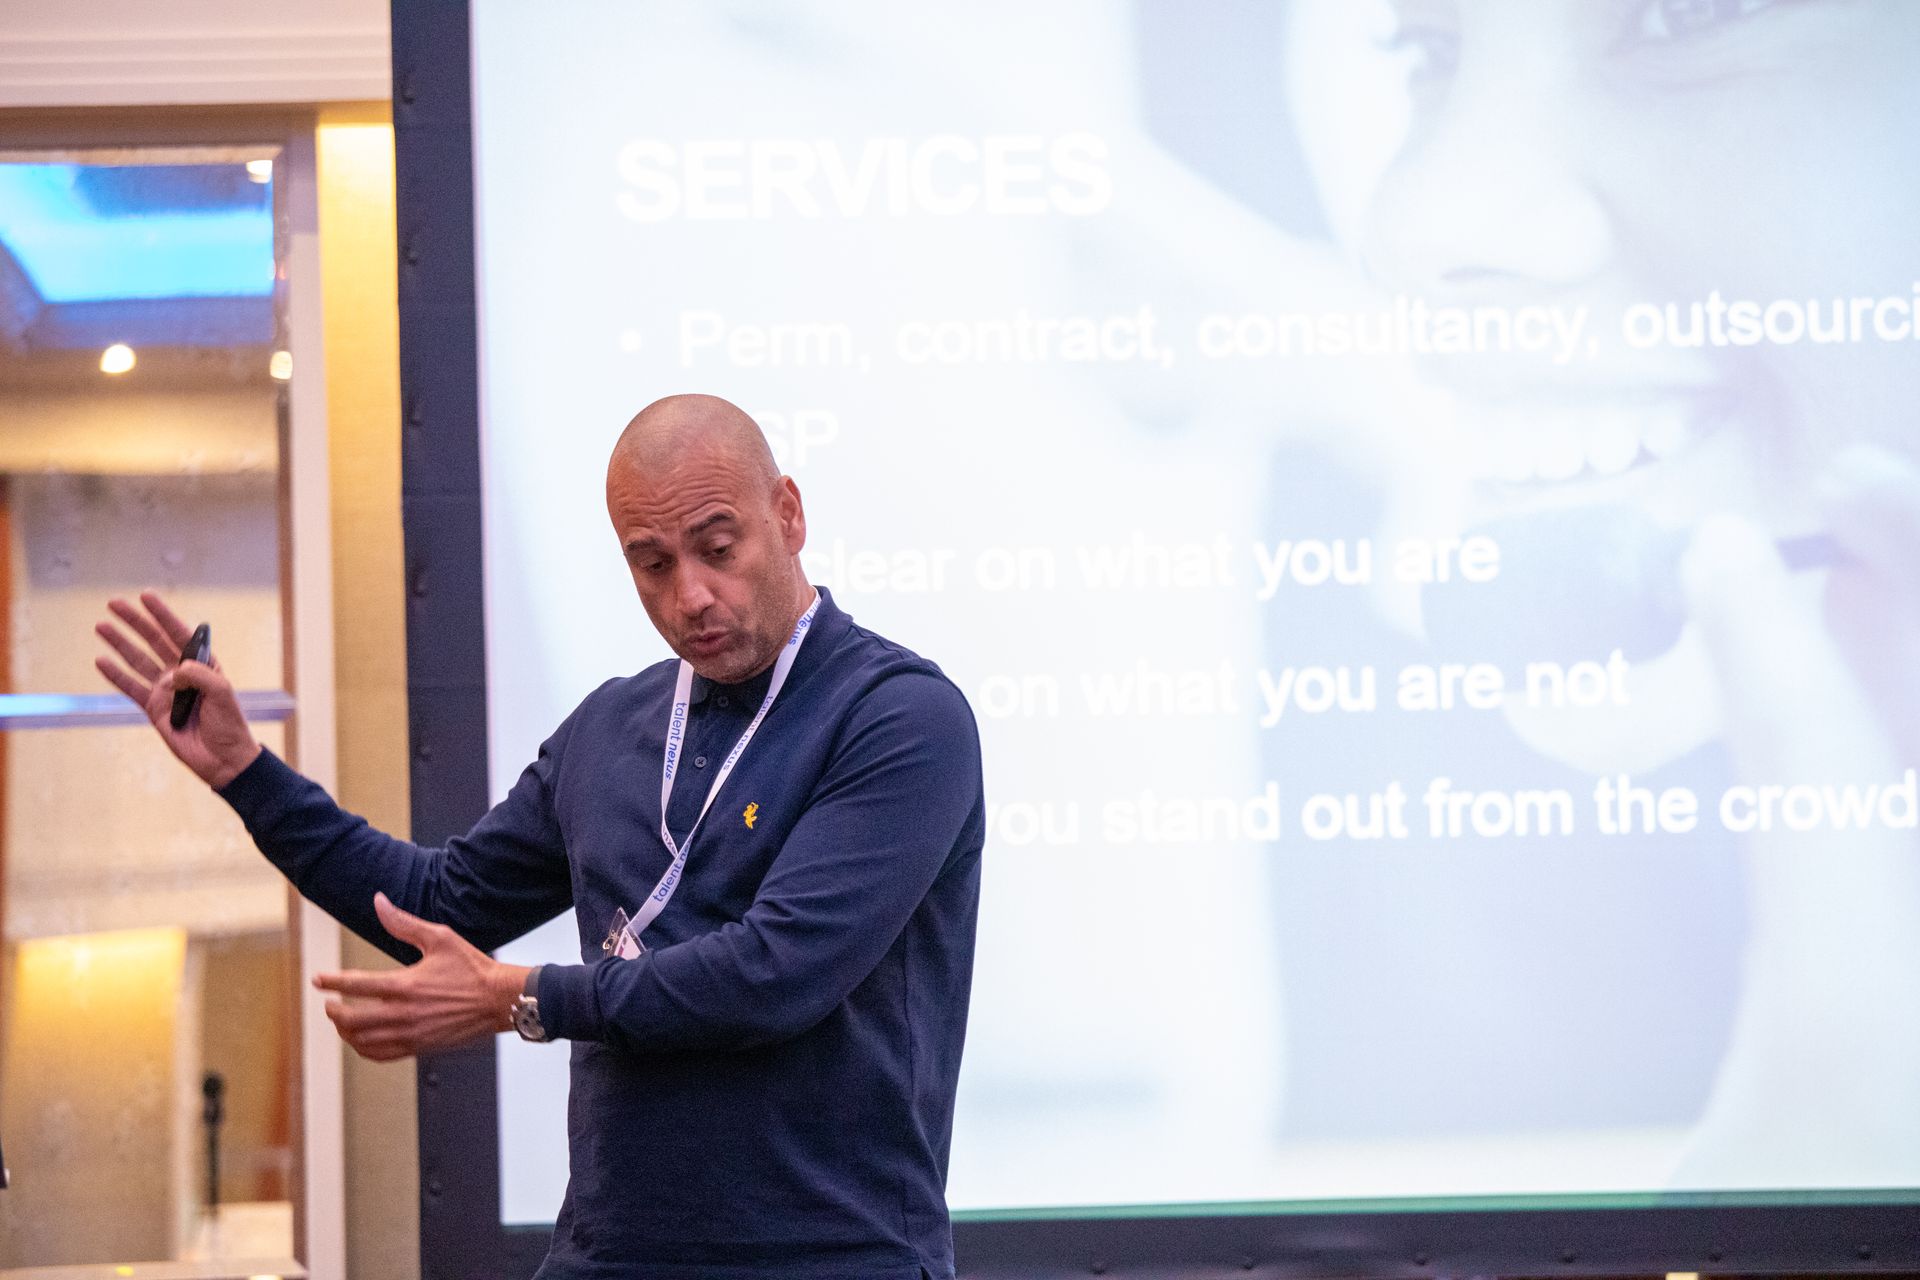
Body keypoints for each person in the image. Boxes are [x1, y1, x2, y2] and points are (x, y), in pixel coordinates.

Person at [94, 393, 986, 1279]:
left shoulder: (899, 716)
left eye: (718, 549)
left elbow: (776, 973)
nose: (692, 597)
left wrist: (523, 998)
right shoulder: (610, 727)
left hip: (834, 1256)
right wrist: (247, 774)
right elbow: (435, 903)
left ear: (787, 514)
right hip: (607, 1256)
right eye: (652, 565)